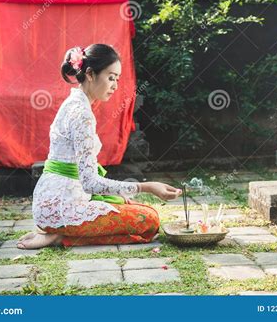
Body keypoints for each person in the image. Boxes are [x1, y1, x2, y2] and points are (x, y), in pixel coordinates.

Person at [17, 44, 181, 249]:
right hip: (62, 206)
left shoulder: (74, 103)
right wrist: (146, 187)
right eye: (111, 78)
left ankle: (56, 232)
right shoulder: (82, 114)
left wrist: (119, 195)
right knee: (148, 219)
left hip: (52, 200)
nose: (115, 85)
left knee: (130, 205)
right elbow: (90, 183)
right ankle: (59, 236)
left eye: (117, 80)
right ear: (90, 74)